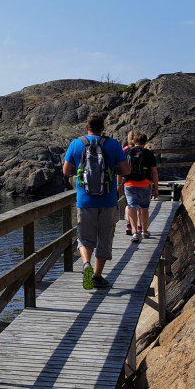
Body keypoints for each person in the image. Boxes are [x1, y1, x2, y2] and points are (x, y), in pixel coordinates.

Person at [62, 113, 131, 290]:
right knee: (104, 238)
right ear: (103, 128)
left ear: (87, 127)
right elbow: (125, 170)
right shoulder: (113, 144)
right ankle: (97, 276)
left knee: (85, 238)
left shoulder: (76, 143)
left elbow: (66, 171)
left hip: (84, 200)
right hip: (108, 201)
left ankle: (86, 264)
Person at [120, 132, 158, 243]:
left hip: (129, 184)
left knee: (132, 207)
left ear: (133, 141)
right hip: (145, 184)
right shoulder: (149, 153)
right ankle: (144, 231)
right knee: (144, 208)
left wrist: (119, 184)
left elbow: (120, 169)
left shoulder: (126, 151)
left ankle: (135, 232)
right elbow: (154, 172)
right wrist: (156, 188)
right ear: (145, 142)